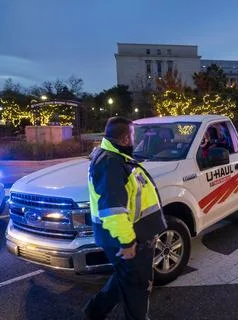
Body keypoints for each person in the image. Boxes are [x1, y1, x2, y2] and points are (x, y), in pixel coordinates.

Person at [83, 116, 167, 320]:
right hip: (130, 239)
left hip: (133, 235)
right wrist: (127, 241)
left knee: (124, 278)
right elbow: (112, 209)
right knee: (137, 287)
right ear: (124, 139)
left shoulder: (115, 157)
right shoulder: (111, 163)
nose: (136, 140)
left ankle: (94, 311)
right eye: (133, 135)